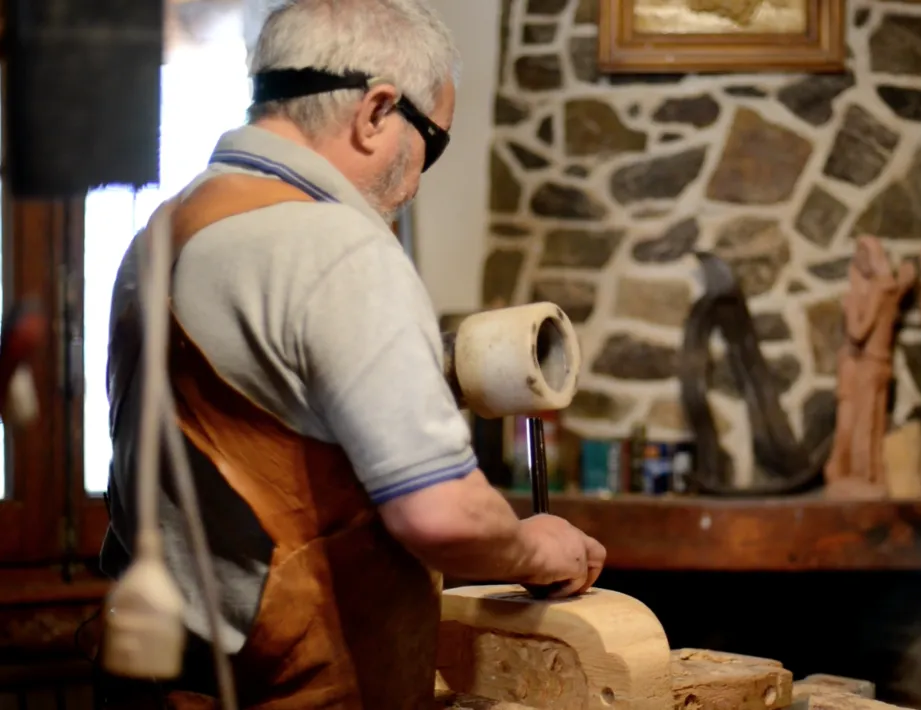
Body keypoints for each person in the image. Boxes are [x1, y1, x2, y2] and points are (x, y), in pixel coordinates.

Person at [98, 0, 605, 707]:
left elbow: (261, 412)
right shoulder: (335, 246)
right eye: (436, 141)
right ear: (375, 113)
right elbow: (442, 516)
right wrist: (533, 547)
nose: (421, 175)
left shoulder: (165, 231)